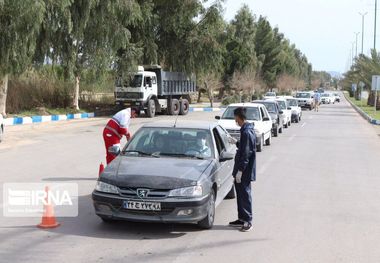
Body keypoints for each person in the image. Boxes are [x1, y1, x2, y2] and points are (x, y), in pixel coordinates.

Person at [229, 107, 256, 232]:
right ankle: (241, 218)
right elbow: (244, 147)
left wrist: (240, 170)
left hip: (244, 171)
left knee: (245, 195)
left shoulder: (247, 132)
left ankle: (248, 221)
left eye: (235, 118)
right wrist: (236, 143)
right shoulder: (245, 130)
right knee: (240, 194)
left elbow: (246, 154)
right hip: (241, 170)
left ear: (239, 117)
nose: (235, 120)